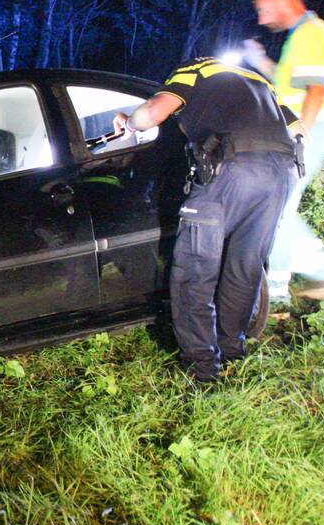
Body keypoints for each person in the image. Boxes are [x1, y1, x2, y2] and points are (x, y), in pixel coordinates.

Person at [114, 57, 298, 381]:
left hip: (233, 170)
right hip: (282, 173)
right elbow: (300, 130)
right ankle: (233, 355)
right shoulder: (259, 82)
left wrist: (129, 122)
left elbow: (154, 113)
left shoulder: (195, 70)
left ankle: (203, 371)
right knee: (245, 266)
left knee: (193, 270)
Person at [243, 0, 324, 300]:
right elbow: (293, 82)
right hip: (313, 131)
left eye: (263, 10)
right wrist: (258, 60)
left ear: (284, 1)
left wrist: (300, 135)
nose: (261, 18)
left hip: (313, 132)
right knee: (279, 210)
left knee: (275, 211)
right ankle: (278, 292)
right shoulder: (305, 35)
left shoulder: (310, 35)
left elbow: (316, 91)